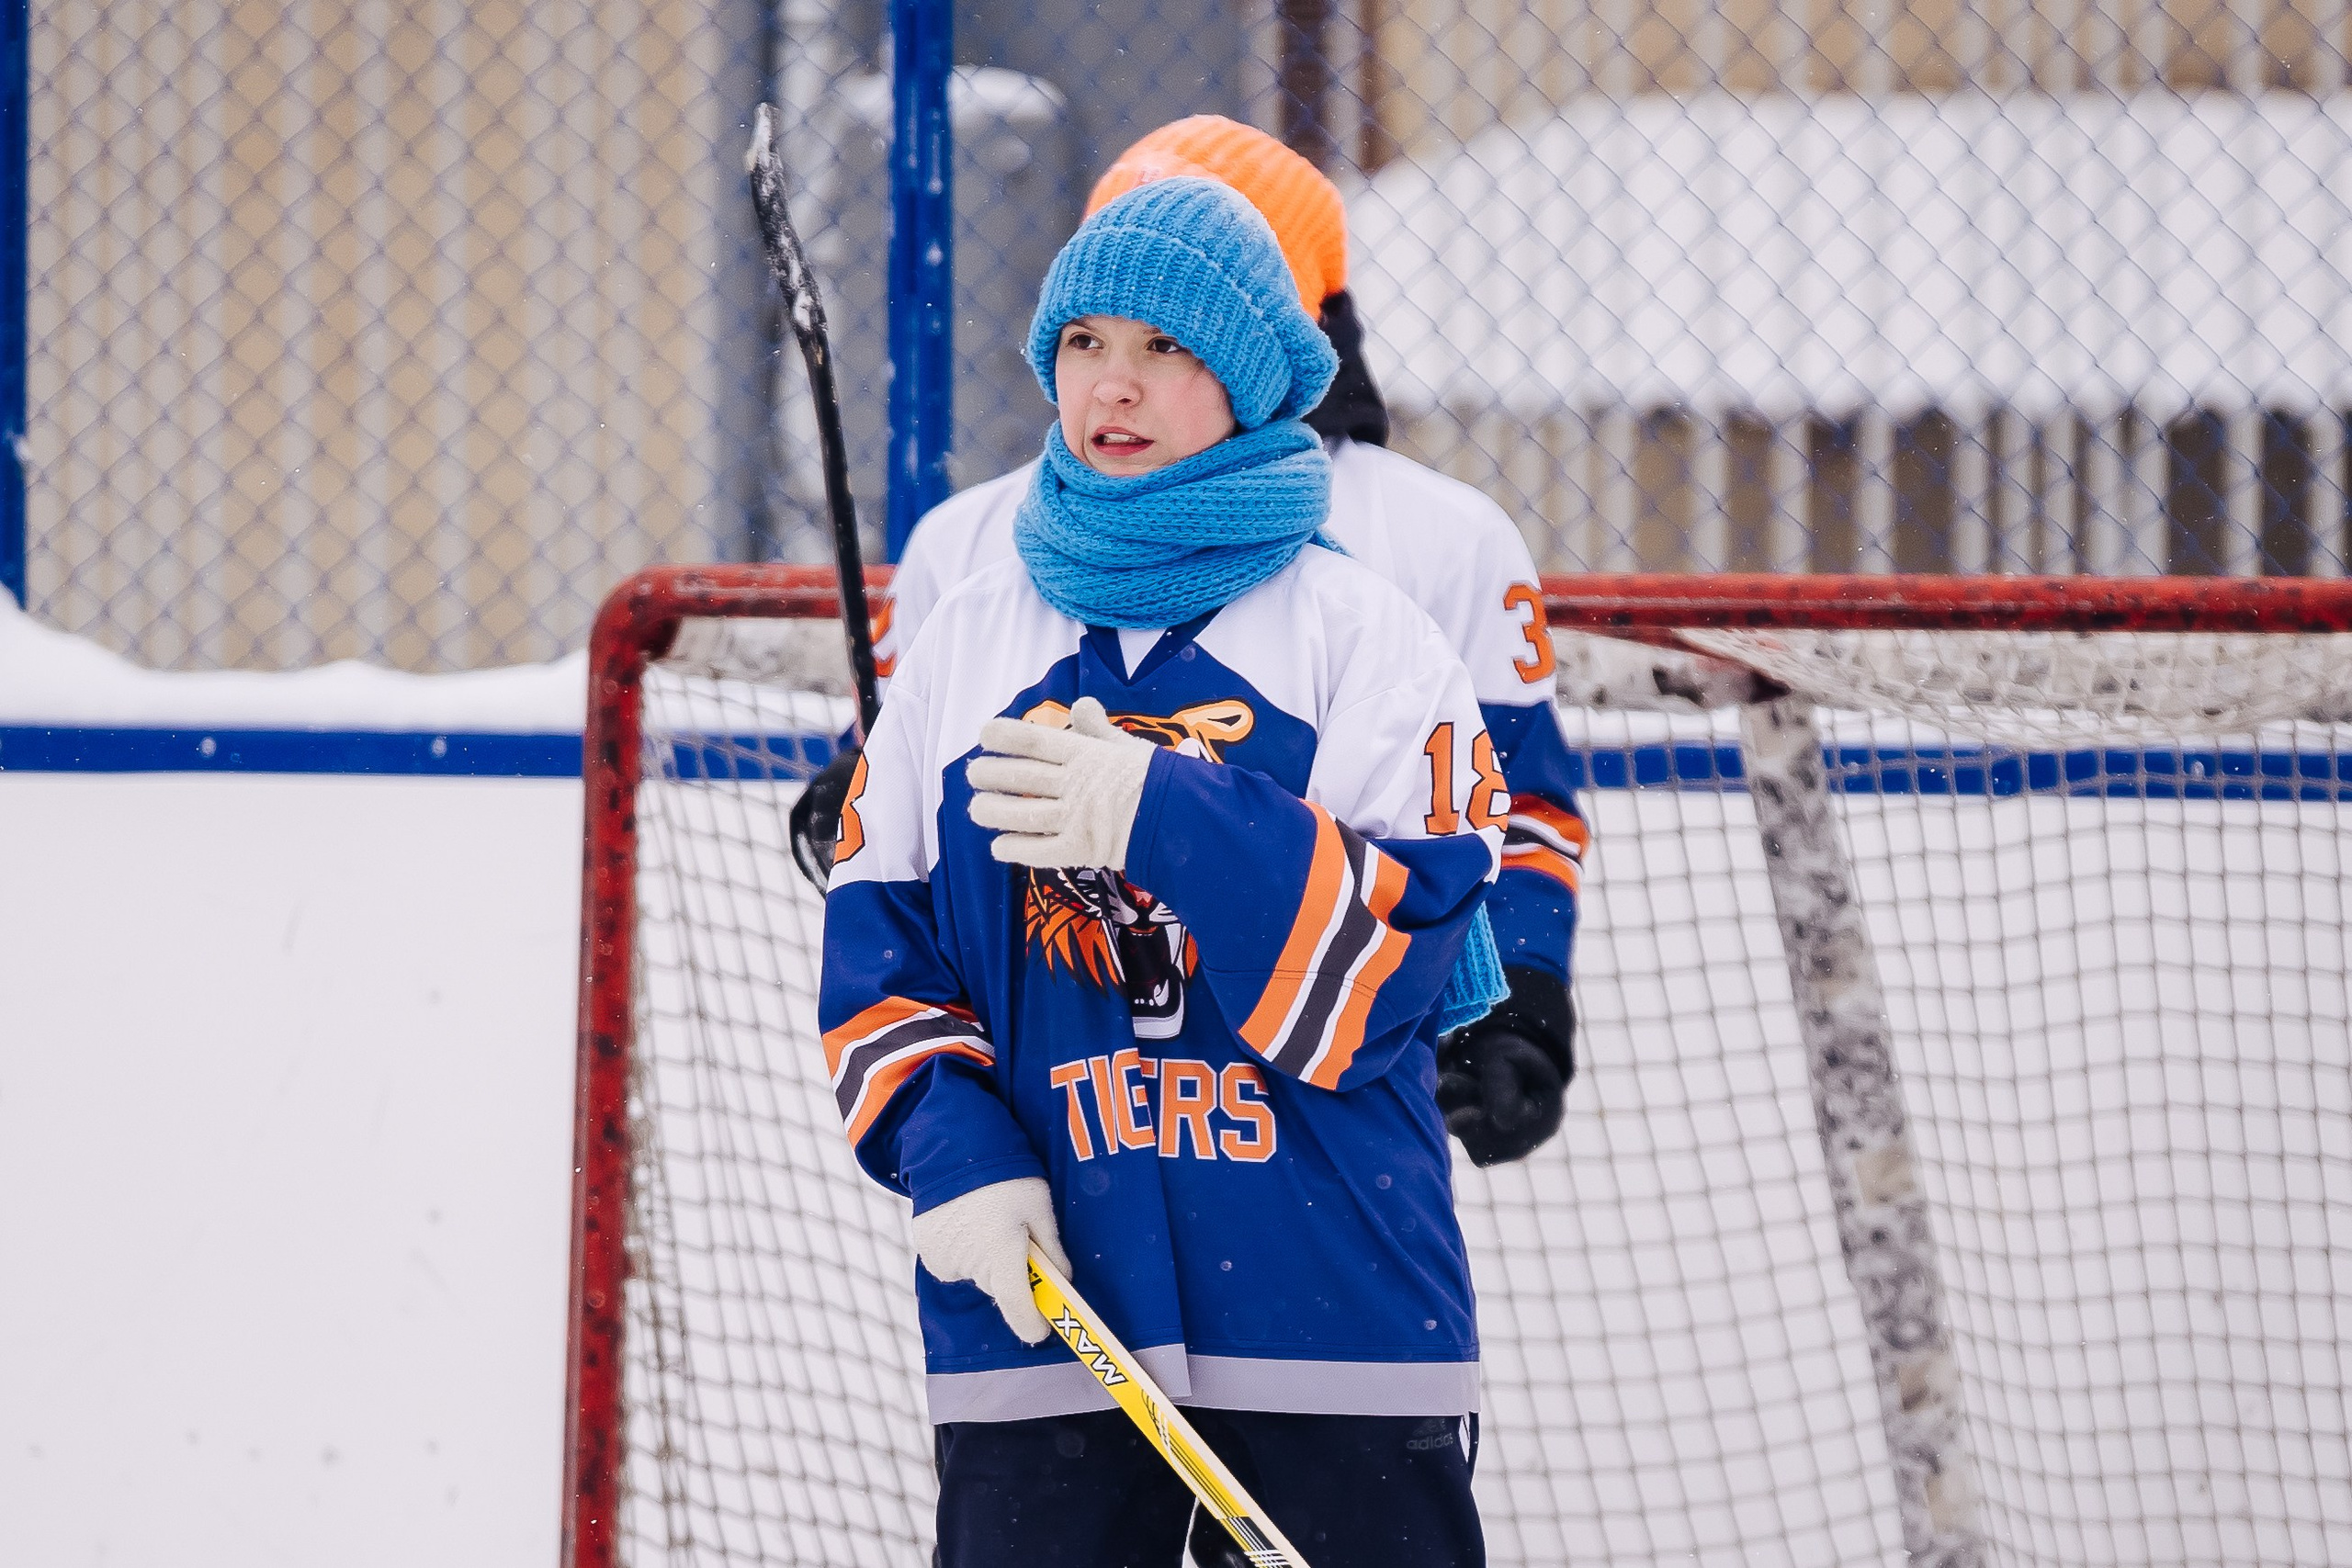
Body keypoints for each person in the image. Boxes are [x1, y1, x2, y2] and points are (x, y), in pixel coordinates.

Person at [819, 175, 1498, 1566]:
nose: (1113, 385)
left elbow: (1375, 985)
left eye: (1166, 348)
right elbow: (879, 943)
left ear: (1245, 381)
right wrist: (954, 1152)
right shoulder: (966, 640)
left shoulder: (1363, 639)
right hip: (1048, 1302)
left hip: (1330, 1301)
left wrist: (1158, 810)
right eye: (1085, 345)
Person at [799, 117, 1588, 1179]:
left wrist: (1517, 997)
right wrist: (856, 799)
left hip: (1318, 1111)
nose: (1123, 368)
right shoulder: (973, 544)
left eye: (1175, 324)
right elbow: (904, 830)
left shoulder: (1439, 538)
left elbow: (1511, 803)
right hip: (1060, 1108)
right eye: (1097, 327)